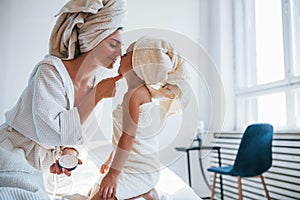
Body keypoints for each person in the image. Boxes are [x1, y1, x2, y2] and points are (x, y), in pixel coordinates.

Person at [0, 0, 126, 199]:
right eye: (113, 44)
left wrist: (71, 153)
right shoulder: (49, 72)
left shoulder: (97, 81)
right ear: (92, 39)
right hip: (19, 154)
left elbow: (79, 137)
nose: (119, 53)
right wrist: (96, 95)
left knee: (107, 188)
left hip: (55, 166)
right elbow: (50, 132)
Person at [89, 36, 191, 200]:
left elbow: (128, 137)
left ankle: (145, 189)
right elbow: (128, 140)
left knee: (100, 197)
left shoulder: (134, 96)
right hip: (138, 167)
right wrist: (111, 161)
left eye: (126, 54)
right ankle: (147, 192)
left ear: (139, 64)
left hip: (139, 171)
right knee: (94, 189)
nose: (121, 56)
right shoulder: (140, 94)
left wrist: (113, 174)